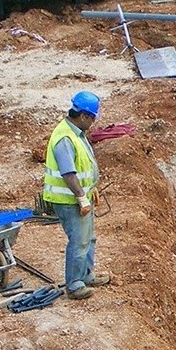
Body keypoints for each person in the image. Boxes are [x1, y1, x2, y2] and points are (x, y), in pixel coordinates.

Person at [42, 91, 111, 300]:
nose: (93, 123)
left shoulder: (76, 133)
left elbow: (82, 167)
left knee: (89, 238)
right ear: (83, 116)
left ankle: (87, 275)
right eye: (92, 118)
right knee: (79, 241)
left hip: (81, 196)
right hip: (68, 200)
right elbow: (68, 173)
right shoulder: (65, 138)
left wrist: (91, 189)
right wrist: (81, 196)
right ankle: (74, 285)